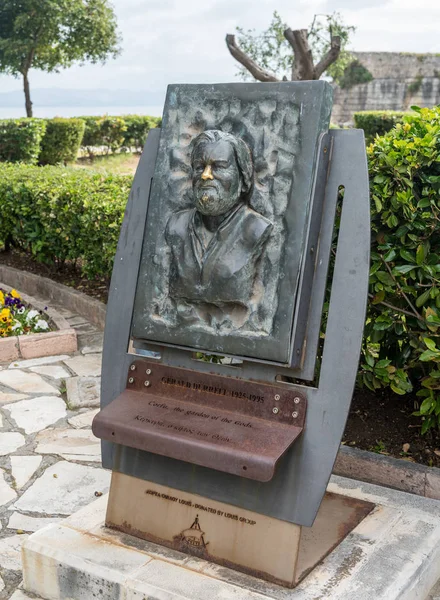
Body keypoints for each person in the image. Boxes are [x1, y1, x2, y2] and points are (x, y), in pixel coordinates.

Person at [165, 130, 273, 314]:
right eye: (200, 167)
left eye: (219, 166)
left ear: (243, 179)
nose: (206, 175)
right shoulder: (176, 225)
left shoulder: (256, 229)